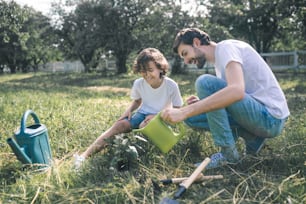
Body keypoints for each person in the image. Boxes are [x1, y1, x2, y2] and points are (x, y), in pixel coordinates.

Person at [161, 28, 290, 169]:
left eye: (185, 53)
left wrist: (183, 111)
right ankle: (254, 138)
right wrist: (201, 104)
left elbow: (236, 91)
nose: (186, 61)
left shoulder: (226, 48)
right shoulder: (220, 64)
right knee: (192, 118)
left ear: (196, 42)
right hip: (258, 116)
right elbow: (234, 96)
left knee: (205, 83)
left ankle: (228, 155)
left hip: (270, 118)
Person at [74, 48, 183, 168]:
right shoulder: (139, 83)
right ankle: (83, 157)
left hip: (161, 117)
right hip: (142, 114)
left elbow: (178, 108)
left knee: (144, 126)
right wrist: (129, 110)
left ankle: (149, 160)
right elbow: (137, 101)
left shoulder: (171, 85)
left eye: (150, 70)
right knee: (119, 125)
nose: (147, 75)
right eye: (143, 71)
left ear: (160, 68)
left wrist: (159, 116)